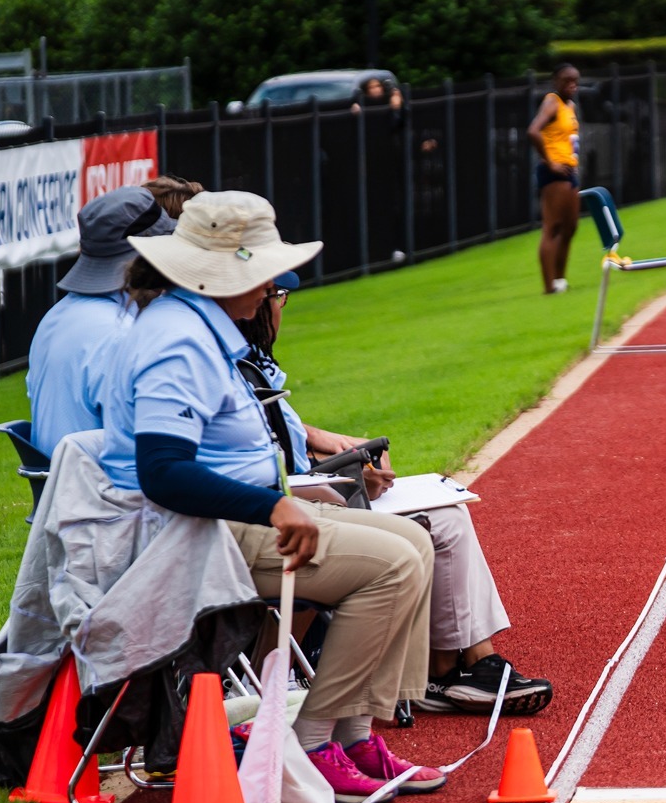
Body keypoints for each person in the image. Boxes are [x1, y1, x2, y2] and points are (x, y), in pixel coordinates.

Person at [98, 191, 443, 803]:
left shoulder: (196, 327)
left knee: (415, 540)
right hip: (195, 536)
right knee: (391, 566)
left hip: (223, 521)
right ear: (217, 275)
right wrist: (276, 506)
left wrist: (280, 496)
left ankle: (355, 736)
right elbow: (162, 471)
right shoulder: (177, 341)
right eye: (260, 272)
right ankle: (311, 744)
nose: (270, 287)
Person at [234, 272, 555, 714]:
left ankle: (460, 666)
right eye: (278, 296)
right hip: (280, 516)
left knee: (448, 514)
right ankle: (376, 695)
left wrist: (328, 447)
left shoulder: (249, 361)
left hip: (297, 501)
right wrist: (343, 476)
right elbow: (265, 469)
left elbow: (276, 445)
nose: (279, 307)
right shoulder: (218, 363)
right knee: (419, 535)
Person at [26, 187, 178, 455]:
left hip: (67, 476)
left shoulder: (55, 317)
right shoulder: (120, 335)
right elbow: (148, 445)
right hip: (103, 479)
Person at [526, 64, 581, 294]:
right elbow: (533, 131)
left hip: (569, 170)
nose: (572, 85)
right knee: (553, 227)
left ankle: (560, 280)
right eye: (567, 81)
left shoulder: (570, 106)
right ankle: (549, 286)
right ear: (556, 81)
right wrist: (550, 162)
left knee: (570, 227)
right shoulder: (552, 102)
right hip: (554, 172)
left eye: (575, 81)